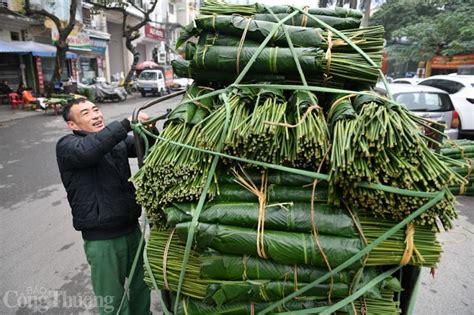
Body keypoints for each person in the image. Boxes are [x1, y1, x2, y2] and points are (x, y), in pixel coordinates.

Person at [56, 98, 151, 315]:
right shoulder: (68, 146)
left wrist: (149, 129)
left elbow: (142, 146)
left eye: (96, 110)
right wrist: (125, 124)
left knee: (142, 286)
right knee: (112, 300)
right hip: (102, 240)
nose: (96, 116)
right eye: (86, 114)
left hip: (131, 230)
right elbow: (89, 151)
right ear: (73, 125)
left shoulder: (114, 141)